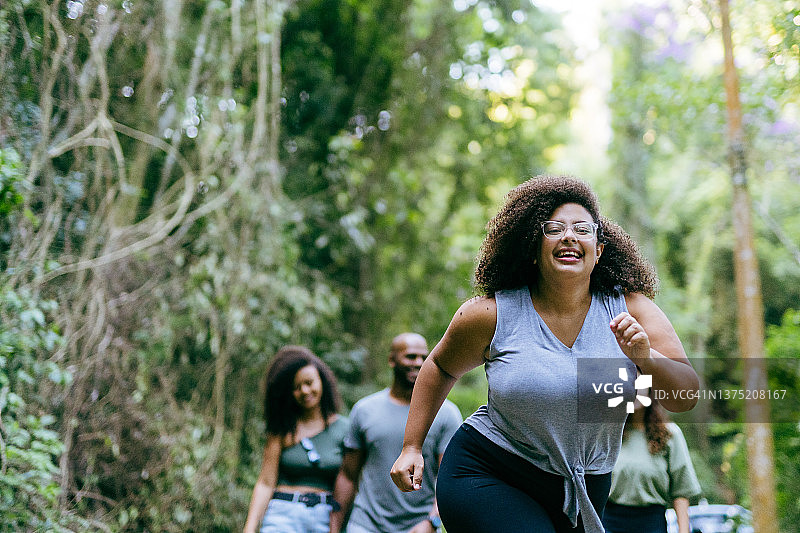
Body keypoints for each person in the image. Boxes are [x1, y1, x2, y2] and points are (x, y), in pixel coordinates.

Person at [390, 175, 700, 533]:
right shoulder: (493, 313)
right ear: (534, 247)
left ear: (598, 250)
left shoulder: (631, 309)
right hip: (489, 470)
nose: (569, 236)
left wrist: (646, 358)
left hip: (585, 485)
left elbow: (686, 396)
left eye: (582, 229)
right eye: (555, 228)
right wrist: (412, 446)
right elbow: (441, 366)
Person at [329, 333, 462, 533]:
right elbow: (348, 475)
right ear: (392, 360)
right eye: (410, 356)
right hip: (366, 524)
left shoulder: (446, 413)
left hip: (418, 526)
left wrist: (432, 521)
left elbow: (451, 478)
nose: (418, 363)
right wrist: (335, 525)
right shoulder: (364, 410)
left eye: (423, 357)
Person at [243, 345, 348, 533]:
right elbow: (265, 482)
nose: (305, 391)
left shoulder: (343, 429)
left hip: (324, 518)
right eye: (296, 388)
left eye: (309, 383)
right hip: (282, 516)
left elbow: (350, 481)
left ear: (322, 381)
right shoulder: (282, 430)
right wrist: (250, 528)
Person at [602, 392, 701, 533]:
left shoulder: (670, 434)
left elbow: (681, 491)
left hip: (652, 523)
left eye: (639, 382)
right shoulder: (607, 433)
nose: (634, 389)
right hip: (609, 523)